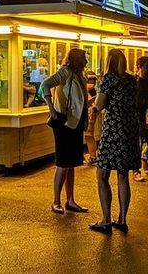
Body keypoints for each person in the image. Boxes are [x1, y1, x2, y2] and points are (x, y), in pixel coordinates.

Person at [88, 49, 139, 234]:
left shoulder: (108, 79)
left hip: (113, 130)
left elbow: (100, 105)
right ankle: (122, 219)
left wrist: (93, 107)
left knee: (102, 175)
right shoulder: (131, 80)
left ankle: (106, 219)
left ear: (109, 62)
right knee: (123, 175)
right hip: (130, 130)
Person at [42, 48, 90, 213]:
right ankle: (56, 200)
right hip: (64, 121)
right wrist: (52, 109)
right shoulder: (66, 72)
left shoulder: (79, 75)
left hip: (75, 122)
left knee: (71, 163)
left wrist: (86, 120)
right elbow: (45, 84)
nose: (86, 61)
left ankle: (70, 200)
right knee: (63, 163)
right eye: (84, 58)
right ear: (77, 60)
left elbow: (82, 100)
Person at [83, 71, 100, 165]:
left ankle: (93, 157)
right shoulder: (95, 90)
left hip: (89, 113)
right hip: (91, 114)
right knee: (89, 135)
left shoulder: (88, 90)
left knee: (88, 135)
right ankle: (93, 156)